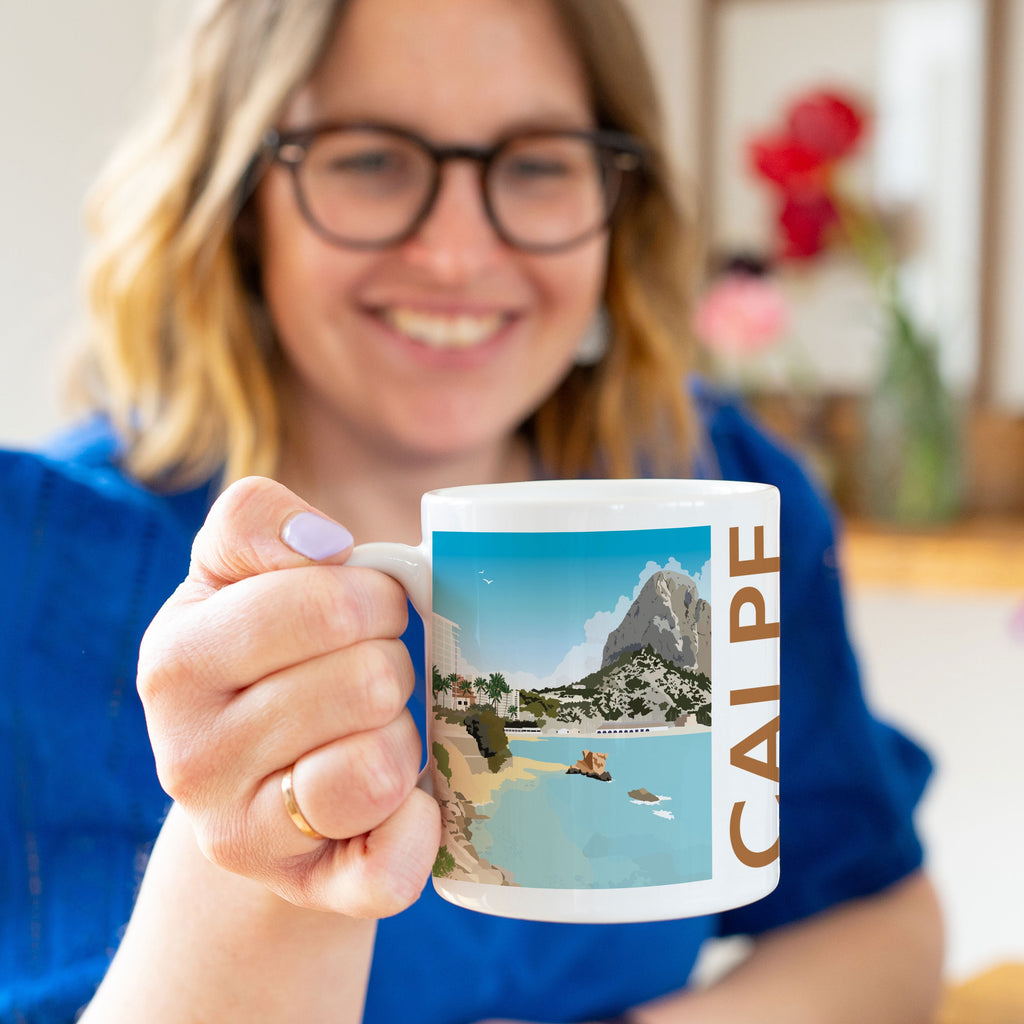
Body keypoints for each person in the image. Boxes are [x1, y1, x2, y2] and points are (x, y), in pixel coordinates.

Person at [1, 0, 943, 1021]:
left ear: (617, 204)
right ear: (233, 201)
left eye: (536, 164)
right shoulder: (40, 565)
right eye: (370, 160)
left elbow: (872, 914)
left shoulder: (714, 487)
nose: (454, 253)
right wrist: (253, 857)